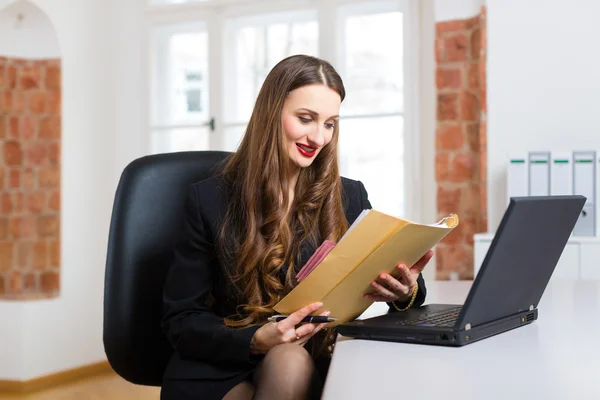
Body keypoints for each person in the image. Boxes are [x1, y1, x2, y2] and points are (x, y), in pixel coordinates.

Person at [160, 54, 432, 400]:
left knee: (289, 361)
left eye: (330, 124)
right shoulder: (209, 200)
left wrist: (405, 289)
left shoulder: (349, 196)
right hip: (222, 363)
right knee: (284, 361)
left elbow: (399, 283)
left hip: (311, 359)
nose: (319, 137)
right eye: (306, 119)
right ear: (272, 113)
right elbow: (181, 318)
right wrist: (257, 339)